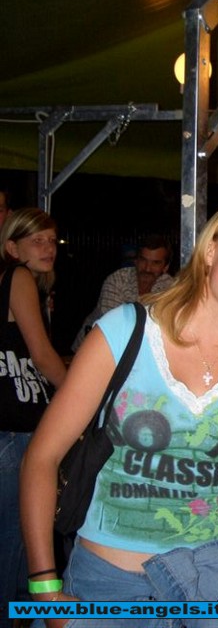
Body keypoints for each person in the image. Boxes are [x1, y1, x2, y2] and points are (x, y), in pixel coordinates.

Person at [20, 195, 218, 627]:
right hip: (112, 590)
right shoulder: (124, 329)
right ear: (211, 250)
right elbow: (42, 457)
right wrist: (44, 591)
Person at [0, 208, 67, 628]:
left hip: (12, 427)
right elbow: (41, 356)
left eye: (51, 240)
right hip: (14, 429)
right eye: (36, 241)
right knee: (15, 539)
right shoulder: (18, 277)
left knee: (17, 541)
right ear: (12, 247)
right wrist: (82, 398)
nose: (48, 248)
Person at [72, 235, 174, 350]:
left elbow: (168, 327)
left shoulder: (169, 287)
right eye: (143, 260)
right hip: (93, 347)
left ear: (165, 267)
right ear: (136, 260)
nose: (147, 268)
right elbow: (112, 326)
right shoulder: (117, 280)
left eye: (155, 263)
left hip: (138, 349)